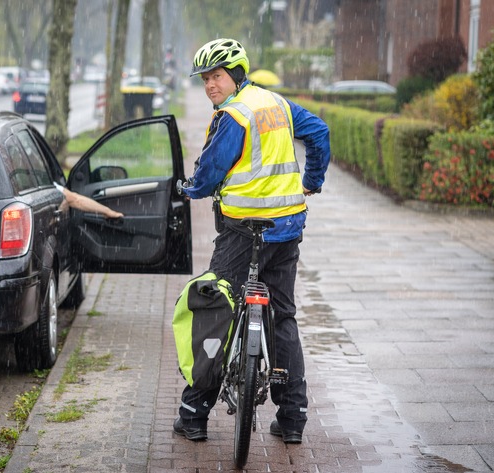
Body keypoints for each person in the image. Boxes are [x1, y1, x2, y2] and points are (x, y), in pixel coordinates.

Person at [173, 38, 330, 444]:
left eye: (217, 76)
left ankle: (193, 415)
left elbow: (209, 174)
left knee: (216, 307)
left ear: (237, 75)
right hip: (286, 229)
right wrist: (311, 182)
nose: (210, 85)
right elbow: (320, 132)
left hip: (243, 231)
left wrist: (190, 189)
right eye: (206, 79)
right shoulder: (277, 104)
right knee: (283, 316)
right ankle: (293, 418)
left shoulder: (233, 115)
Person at [54, 182, 123, 219]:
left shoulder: (51, 185)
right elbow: (73, 199)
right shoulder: (51, 184)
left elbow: (74, 199)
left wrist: (107, 211)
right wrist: (107, 211)